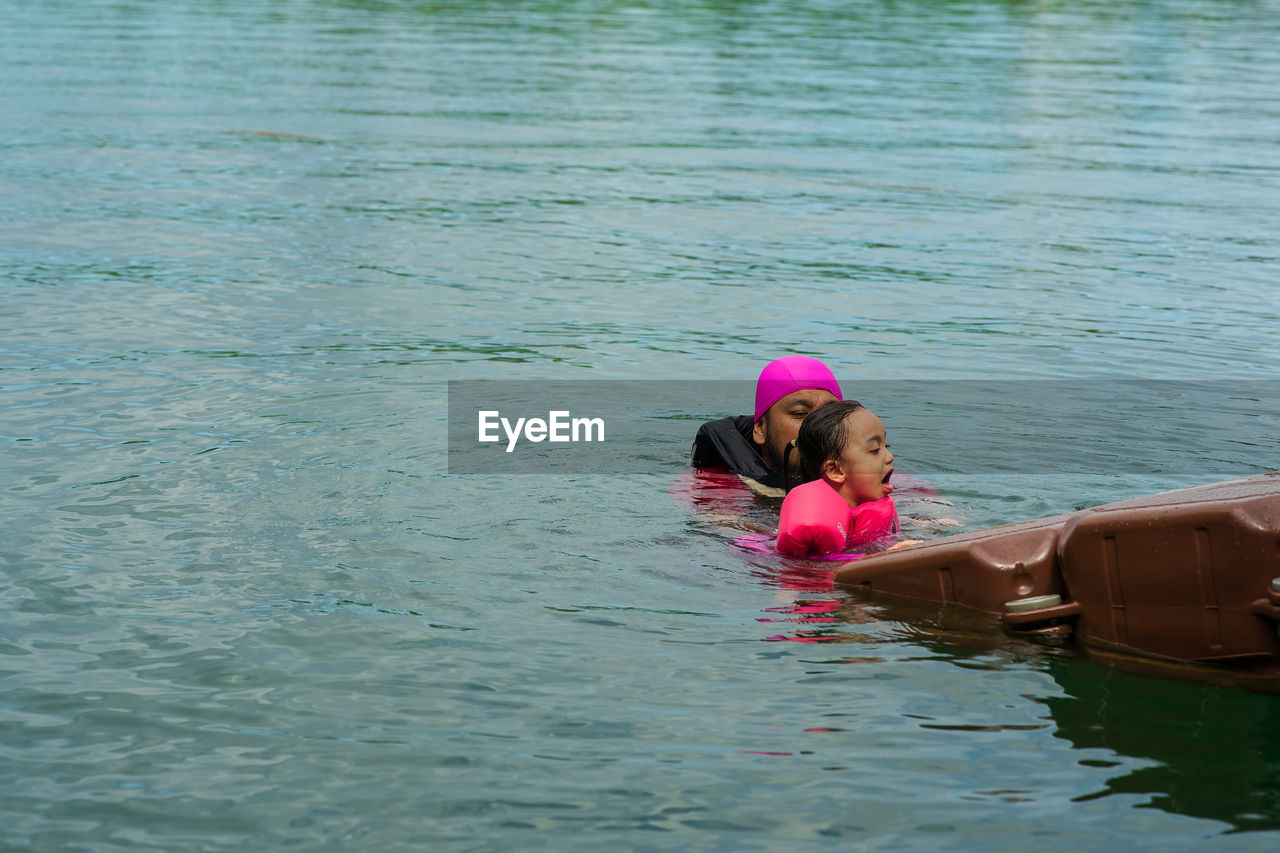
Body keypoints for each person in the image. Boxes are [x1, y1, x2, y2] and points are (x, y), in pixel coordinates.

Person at [690, 355, 841, 496]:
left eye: (830, 414)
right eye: (799, 413)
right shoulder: (715, 490)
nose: (819, 425)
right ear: (761, 429)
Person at [775, 400, 902, 556]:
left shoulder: (871, 510)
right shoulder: (814, 528)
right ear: (835, 470)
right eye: (875, 450)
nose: (890, 457)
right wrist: (889, 555)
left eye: (886, 446)